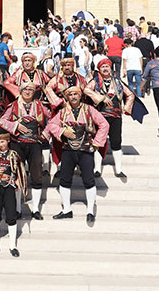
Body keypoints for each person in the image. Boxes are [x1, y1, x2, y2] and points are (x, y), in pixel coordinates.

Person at [43, 86, 109, 224]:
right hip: (68, 150)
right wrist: (62, 131)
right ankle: (66, 209)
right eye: (70, 94)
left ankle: (90, 210)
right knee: (65, 180)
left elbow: (104, 124)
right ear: (67, 97)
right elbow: (51, 125)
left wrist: (97, 142)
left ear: (80, 96)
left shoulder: (89, 109)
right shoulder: (62, 112)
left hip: (85, 149)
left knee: (89, 180)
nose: (73, 96)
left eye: (76, 94)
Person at [0, 82, 51, 219]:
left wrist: (45, 134)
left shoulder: (40, 105)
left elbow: (53, 120)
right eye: (25, 89)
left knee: (36, 175)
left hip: (35, 144)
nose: (28, 92)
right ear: (20, 91)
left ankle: (35, 209)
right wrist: (15, 125)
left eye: (31, 89)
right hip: (18, 144)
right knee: (16, 176)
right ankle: (18, 209)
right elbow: (2, 121)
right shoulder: (13, 105)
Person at [85, 58, 134, 179]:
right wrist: (100, 97)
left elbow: (130, 94)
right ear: (99, 69)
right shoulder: (95, 81)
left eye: (107, 67)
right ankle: (97, 169)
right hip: (100, 116)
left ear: (111, 69)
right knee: (99, 141)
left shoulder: (118, 82)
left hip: (116, 116)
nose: (105, 69)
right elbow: (86, 90)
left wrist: (126, 107)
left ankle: (119, 169)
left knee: (116, 141)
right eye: (103, 67)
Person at [0, 129, 27, 257]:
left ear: (8, 141)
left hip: (9, 187)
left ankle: (12, 246)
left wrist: (19, 181)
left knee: (11, 215)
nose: (0, 144)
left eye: (2, 141)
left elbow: (20, 169)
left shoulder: (14, 154)